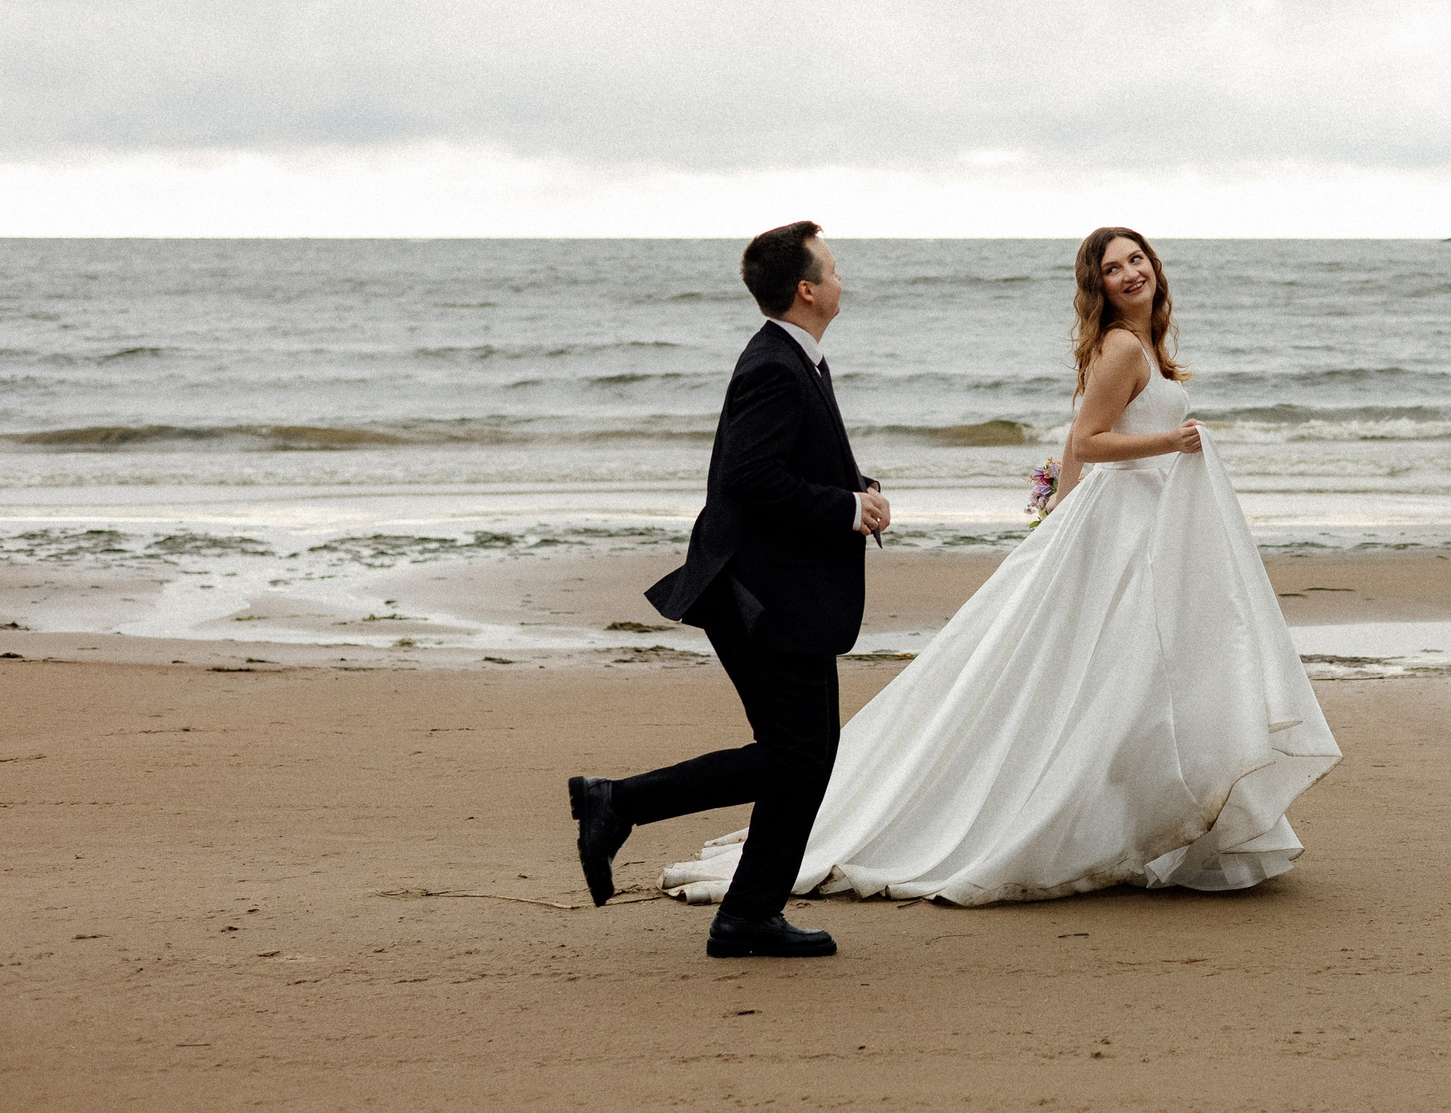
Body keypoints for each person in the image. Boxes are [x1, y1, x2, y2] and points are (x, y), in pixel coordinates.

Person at [653, 225, 1339, 909]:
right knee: (1126, 674)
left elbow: (1078, 450)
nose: (1131, 272)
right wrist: (1172, 442)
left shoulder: (1140, 346)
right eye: (1113, 267)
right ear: (1096, 285)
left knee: (1139, 678)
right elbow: (1090, 439)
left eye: (1137, 259)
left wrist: (1061, 520)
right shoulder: (1125, 347)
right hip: (1130, 529)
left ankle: (1158, 820)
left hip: (1135, 527)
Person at [567, 221, 887, 959]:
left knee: (803, 752)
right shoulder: (775, 364)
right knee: (799, 753)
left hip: (774, 590)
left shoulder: (798, 358)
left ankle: (747, 913)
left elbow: (778, 465)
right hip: (755, 595)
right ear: (806, 288)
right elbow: (750, 478)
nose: (842, 278)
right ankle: (619, 802)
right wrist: (844, 509)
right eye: (833, 268)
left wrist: (854, 488)